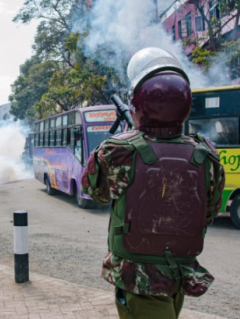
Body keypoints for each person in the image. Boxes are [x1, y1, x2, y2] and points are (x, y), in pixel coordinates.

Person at [81, 48, 225, 319]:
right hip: (179, 272)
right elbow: (210, 211)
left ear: (137, 105)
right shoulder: (206, 152)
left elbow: (93, 192)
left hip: (138, 277)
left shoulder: (117, 150)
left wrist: (122, 141)